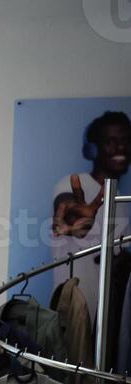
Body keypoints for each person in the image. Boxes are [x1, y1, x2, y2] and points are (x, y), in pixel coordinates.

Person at [50, 110, 131, 327]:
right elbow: (67, 207)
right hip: (74, 317)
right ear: (93, 149)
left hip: (110, 320)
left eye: (125, 141)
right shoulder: (72, 183)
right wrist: (73, 218)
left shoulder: (121, 200)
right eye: (110, 141)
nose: (120, 147)